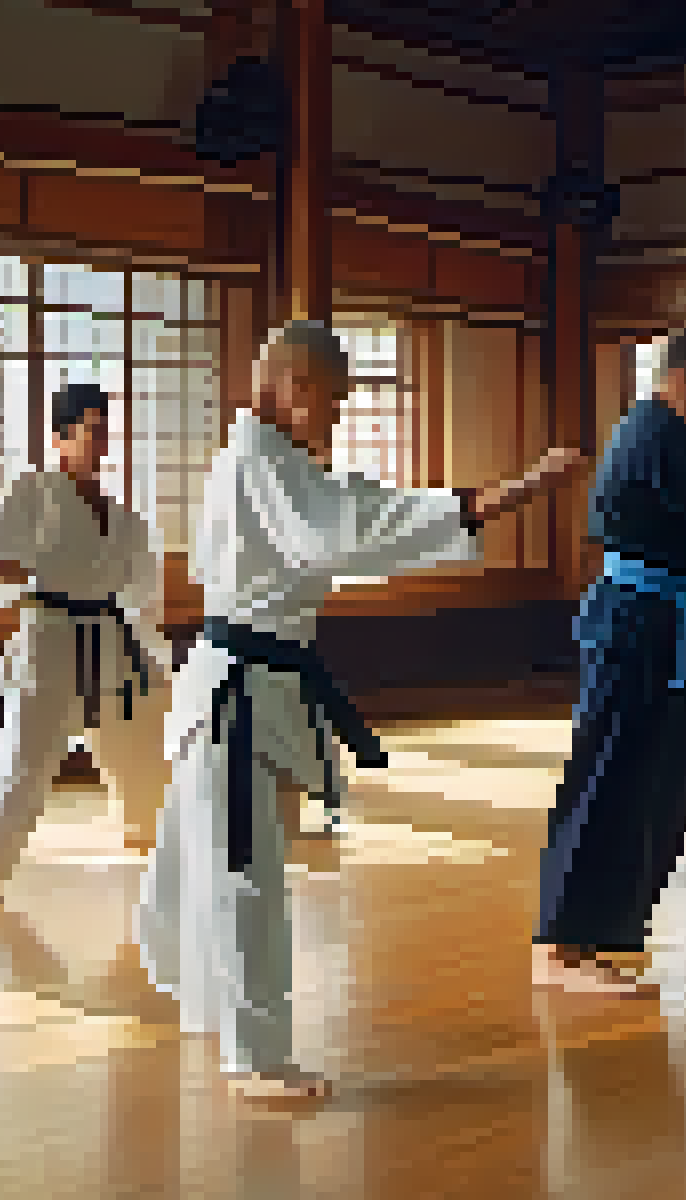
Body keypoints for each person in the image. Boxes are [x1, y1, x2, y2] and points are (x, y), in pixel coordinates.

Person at [135, 320, 584, 1102]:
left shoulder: (277, 465)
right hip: (238, 688)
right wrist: (507, 495)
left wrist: (491, 500)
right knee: (244, 870)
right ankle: (256, 1056)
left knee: (202, 857)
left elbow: (353, 510)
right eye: (331, 401)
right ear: (290, 384)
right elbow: (347, 528)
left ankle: (196, 996)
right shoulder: (258, 463)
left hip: (253, 681)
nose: (335, 418)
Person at [534, 328, 686, 994]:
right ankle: (562, 946)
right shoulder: (662, 437)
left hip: (656, 619)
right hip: (636, 622)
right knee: (613, 772)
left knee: (665, 776)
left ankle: (599, 936)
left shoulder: (668, 436)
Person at [0, 383, 176, 906]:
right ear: (59, 436)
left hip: (112, 639)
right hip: (50, 638)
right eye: (91, 429)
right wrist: (10, 573)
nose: (102, 440)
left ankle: (147, 831)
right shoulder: (32, 495)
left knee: (145, 741)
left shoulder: (122, 515)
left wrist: (156, 655)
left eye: (106, 430)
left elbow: (142, 593)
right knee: (25, 759)